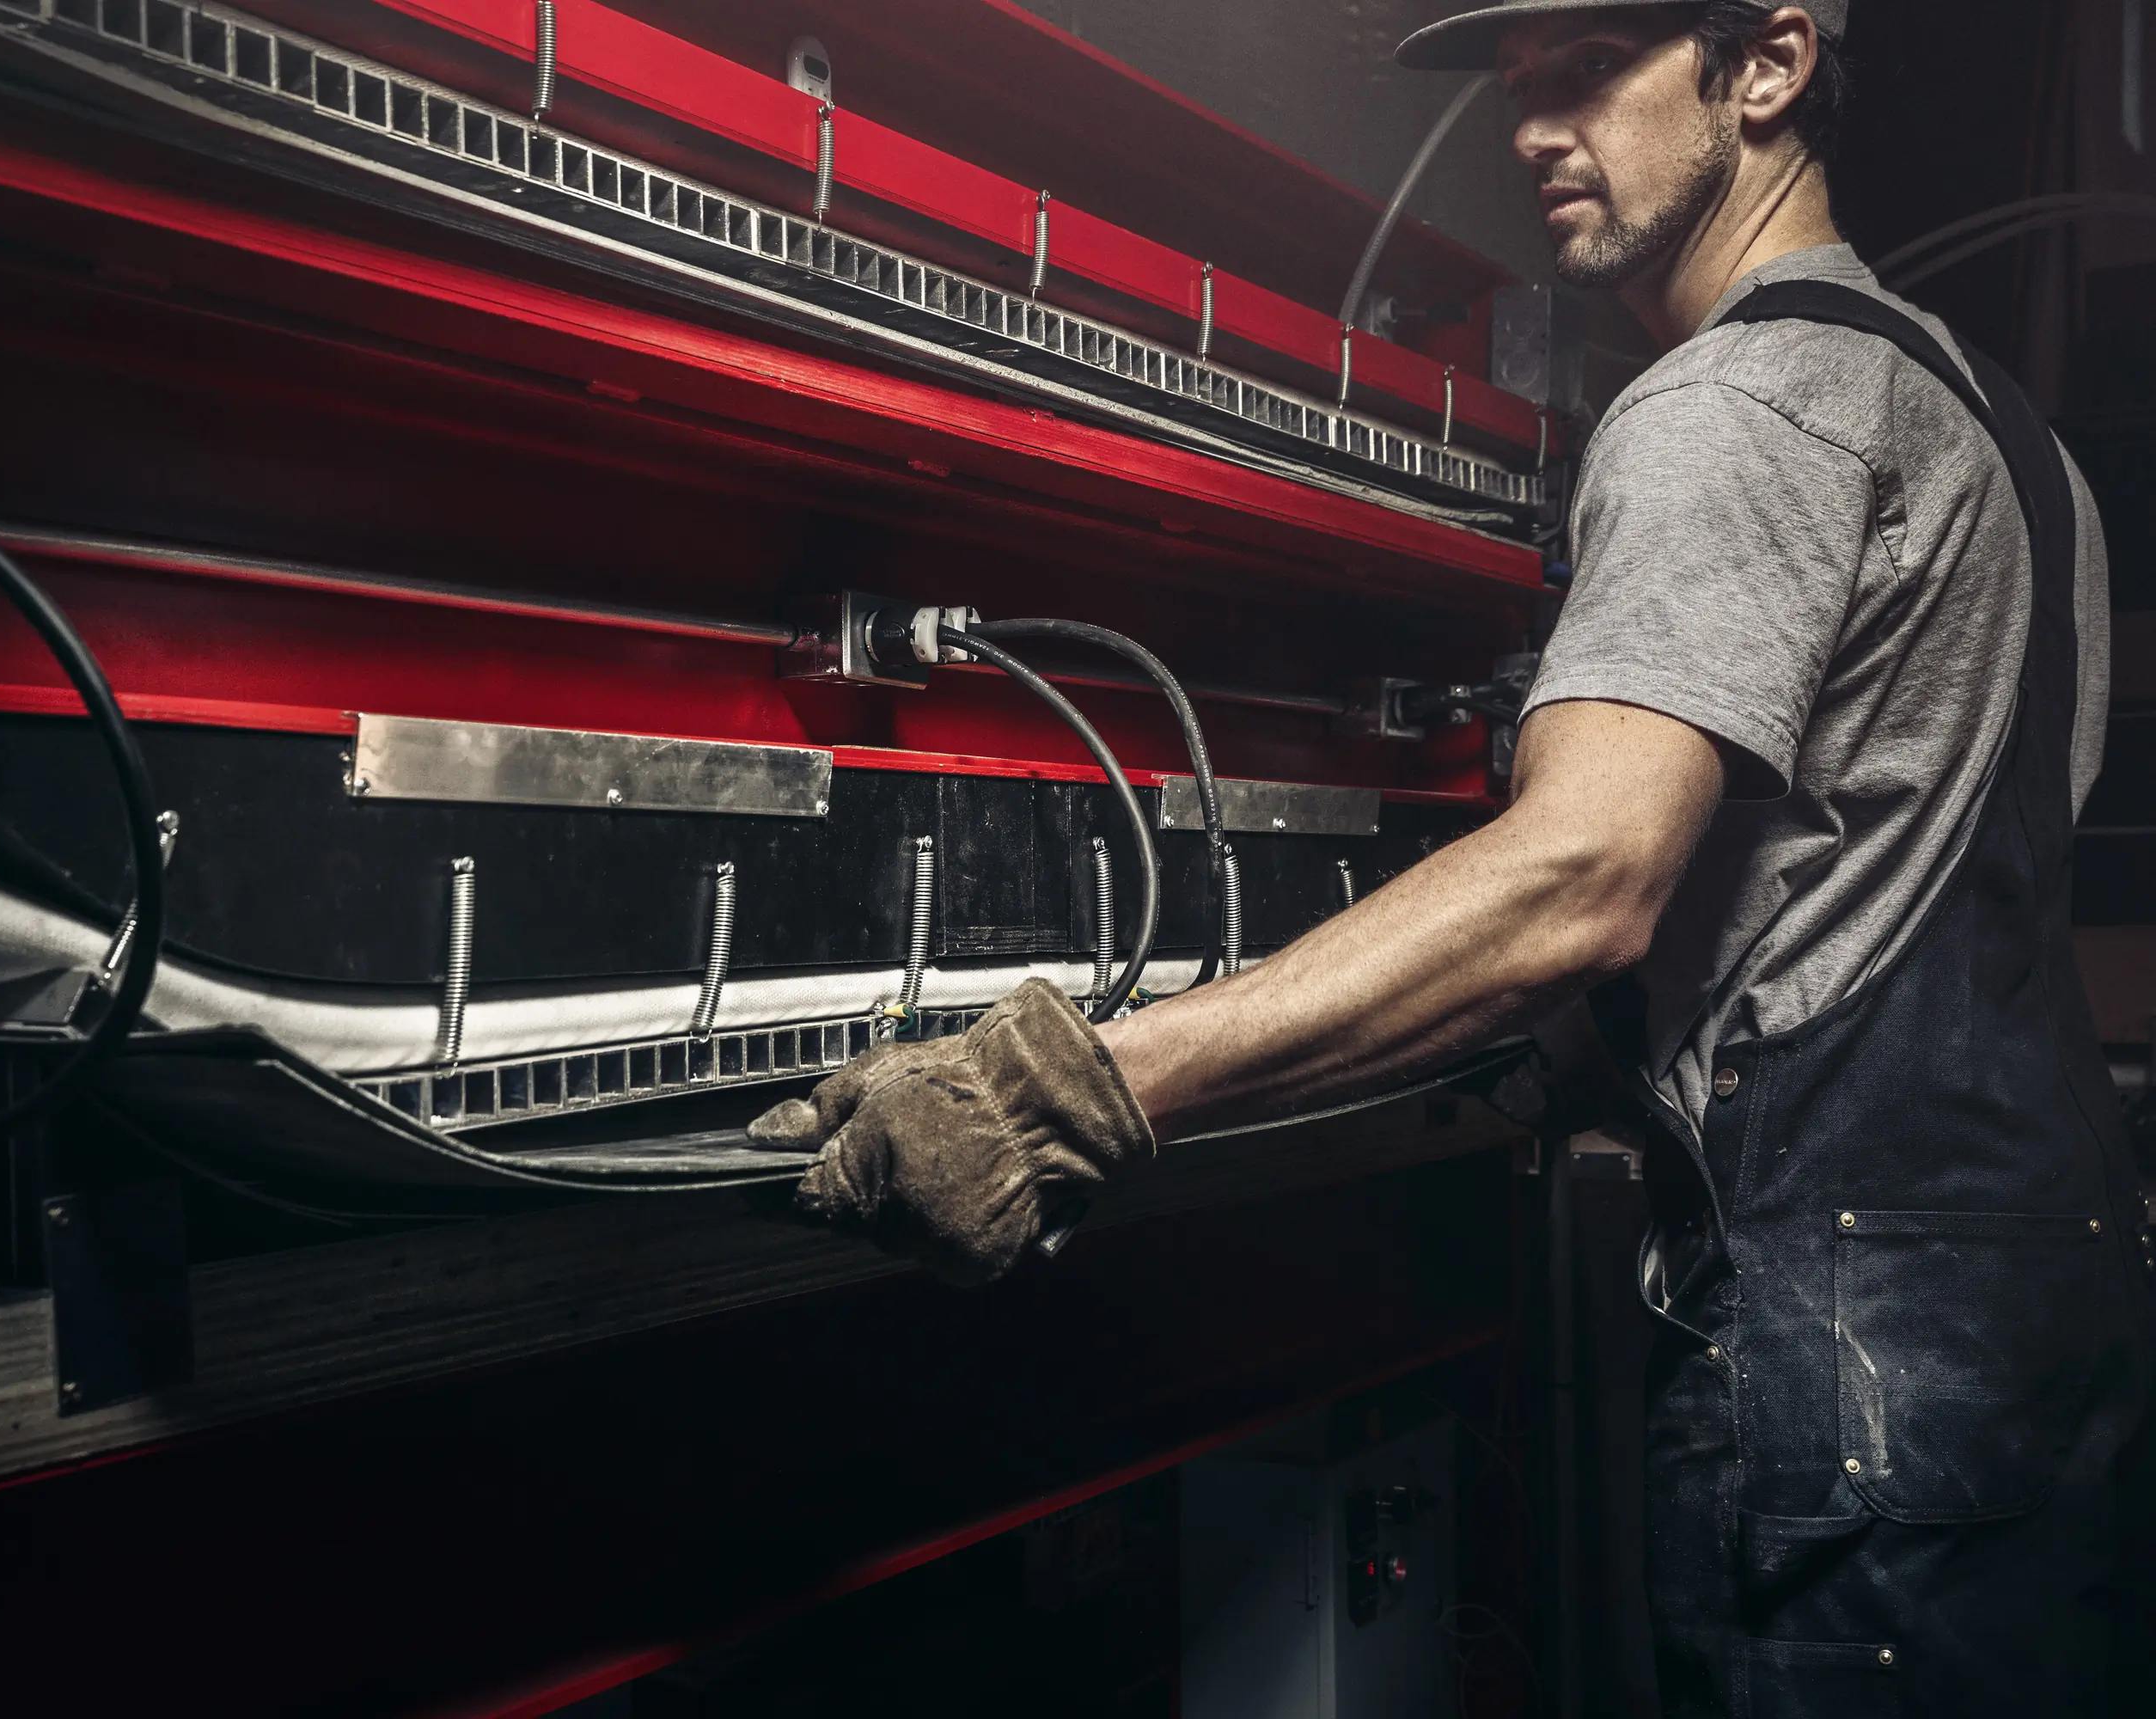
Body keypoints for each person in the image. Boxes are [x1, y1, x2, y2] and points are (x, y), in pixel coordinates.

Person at [751, 2, 2152, 1710]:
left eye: (1586, 75)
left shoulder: (1735, 402)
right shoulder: (2013, 439)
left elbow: (1582, 877)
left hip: (1850, 1344)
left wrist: (1059, 1093)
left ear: (1769, 67)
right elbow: (1866, 877)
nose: (1532, 133)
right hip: (2042, 1300)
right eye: (1516, 93)